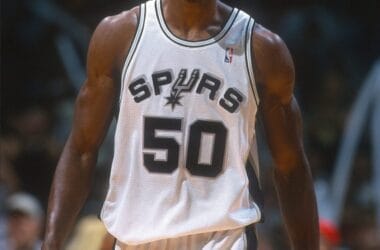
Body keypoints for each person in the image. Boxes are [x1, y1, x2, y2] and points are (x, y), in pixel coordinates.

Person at [42, 0, 319, 249]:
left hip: (224, 237)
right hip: (135, 238)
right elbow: (81, 149)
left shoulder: (262, 48)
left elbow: (290, 165)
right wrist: (52, 241)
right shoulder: (119, 35)